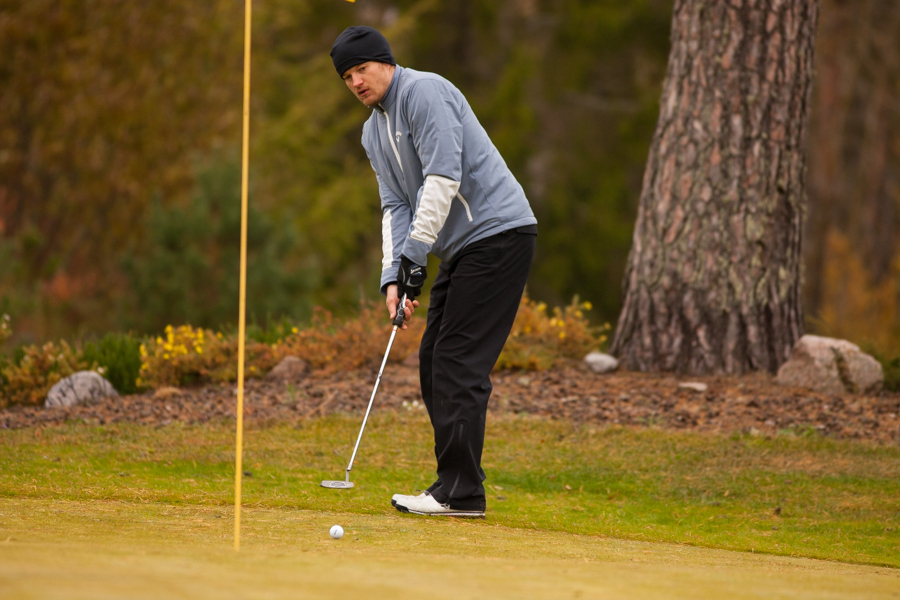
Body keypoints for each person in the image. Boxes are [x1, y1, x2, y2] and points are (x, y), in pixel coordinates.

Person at [331, 26, 537, 517]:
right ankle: (455, 486)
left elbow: (443, 177)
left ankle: (460, 493)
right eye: (346, 76)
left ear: (385, 62)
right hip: (462, 248)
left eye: (362, 69)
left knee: (458, 362)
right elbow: (395, 205)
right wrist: (394, 274)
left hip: (499, 233)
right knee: (433, 359)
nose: (356, 82)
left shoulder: (425, 91)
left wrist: (415, 256)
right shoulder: (371, 131)